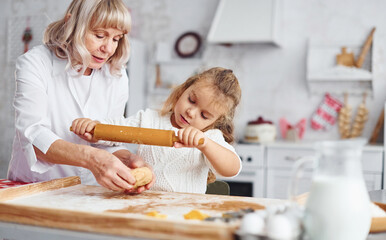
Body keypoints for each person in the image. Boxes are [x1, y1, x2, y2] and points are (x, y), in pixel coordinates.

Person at [7, 0, 154, 193]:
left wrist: (127, 159)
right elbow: (33, 137)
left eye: (116, 39)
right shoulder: (36, 63)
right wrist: (92, 158)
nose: (108, 49)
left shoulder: (116, 75)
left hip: (89, 191)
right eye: (100, 35)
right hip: (35, 188)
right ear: (71, 23)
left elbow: (108, 141)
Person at [71, 67, 242, 194]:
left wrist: (205, 144)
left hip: (185, 212)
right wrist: (93, 129)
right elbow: (116, 130)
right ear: (182, 91)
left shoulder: (209, 137)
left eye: (204, 115)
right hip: (143, 206)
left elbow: (232, 169)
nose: (191, 112)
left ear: (215, 121)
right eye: (191, 100)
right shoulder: (148, 119)